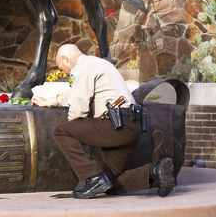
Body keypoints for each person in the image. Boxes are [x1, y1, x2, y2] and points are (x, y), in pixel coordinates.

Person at [48, 44, 175, 199]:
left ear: (66, 60)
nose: (64, 72)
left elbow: (78, 109)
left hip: (115, 124)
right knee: (110, 182)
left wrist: (74, 127)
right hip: (132, 124)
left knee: (62, 131)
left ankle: (92, 178)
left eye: (62, 68)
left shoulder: (83, 68)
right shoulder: (101, 63)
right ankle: (155, 172)